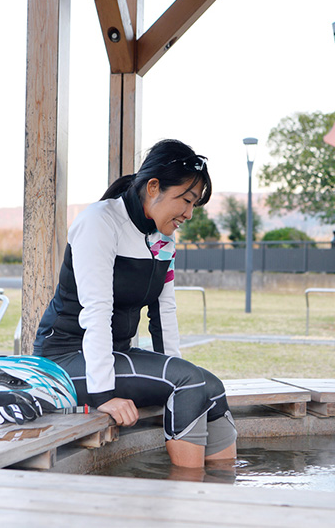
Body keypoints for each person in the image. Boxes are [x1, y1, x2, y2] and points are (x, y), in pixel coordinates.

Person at [33, 139, 237, 468]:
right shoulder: (100, 222)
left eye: (194, 204)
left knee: (209, 386)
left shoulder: (163, 239)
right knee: (190, 381)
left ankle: (224, 491)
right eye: (185, 200)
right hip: (65, 361)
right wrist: (104, 396)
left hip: (115, 356)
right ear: (153, 187)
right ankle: (187, 500)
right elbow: (96, 310)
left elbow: (163, 314)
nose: (188, 213)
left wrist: (176, 376)